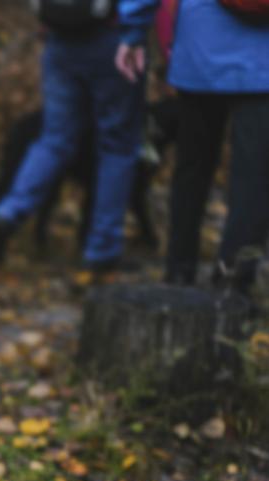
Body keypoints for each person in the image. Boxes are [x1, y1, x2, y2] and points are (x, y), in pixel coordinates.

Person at [117, 0, 269, 292]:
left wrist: (132, 31)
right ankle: (233, 285)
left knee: (191, 171)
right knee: (253, 181)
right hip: (263, 62)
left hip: (199, 51)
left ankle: (179, 272)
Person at [0, 8, 146, 272]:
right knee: (117, 145)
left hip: (60, 38)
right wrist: (136, 32)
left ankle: (6, 213)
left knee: (54, 140)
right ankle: (103, 249)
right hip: (113, 40)